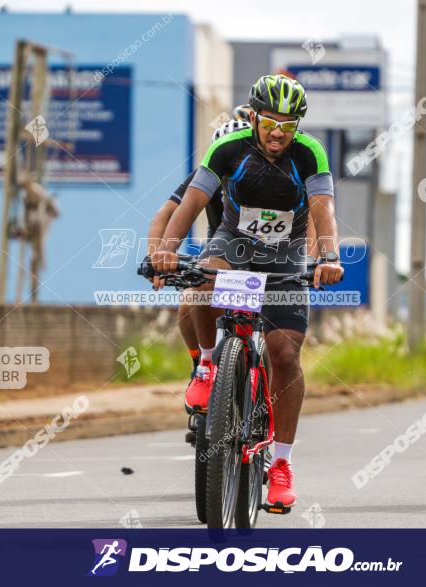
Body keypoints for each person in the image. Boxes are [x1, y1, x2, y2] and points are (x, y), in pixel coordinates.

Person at [151, 74, 343, 508]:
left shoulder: (309, 153)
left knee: (284, 353)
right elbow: (192, 204)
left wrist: (328, 256)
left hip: (285, 253)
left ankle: (280, 464)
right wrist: (165, 252)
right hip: (232, 243)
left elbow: (323, 209)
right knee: (201, 278)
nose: (278, 132)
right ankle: (205, 366)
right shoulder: (227, 148)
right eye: (271, 121)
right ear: (253, 117)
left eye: (289, 125)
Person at [145, 118, 249, 379]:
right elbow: (165, 214)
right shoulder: (205, 174)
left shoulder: (263, 174)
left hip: (262, 251)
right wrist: (155, 257)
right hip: (221, 249)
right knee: (190, 299)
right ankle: (201, 367)